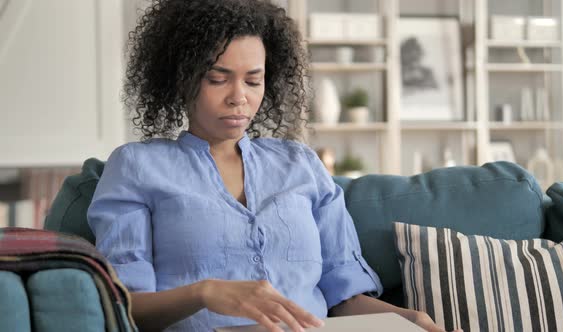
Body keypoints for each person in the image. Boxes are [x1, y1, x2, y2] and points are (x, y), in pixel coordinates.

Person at [88, 1, 452, 331]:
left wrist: (409, 320)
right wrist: (205, 293)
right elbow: (123, 307)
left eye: (253, 80)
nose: (238, 97)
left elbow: (341, 297)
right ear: (181, 80)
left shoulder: (300, 164)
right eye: (217, 78)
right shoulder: (137, 166)